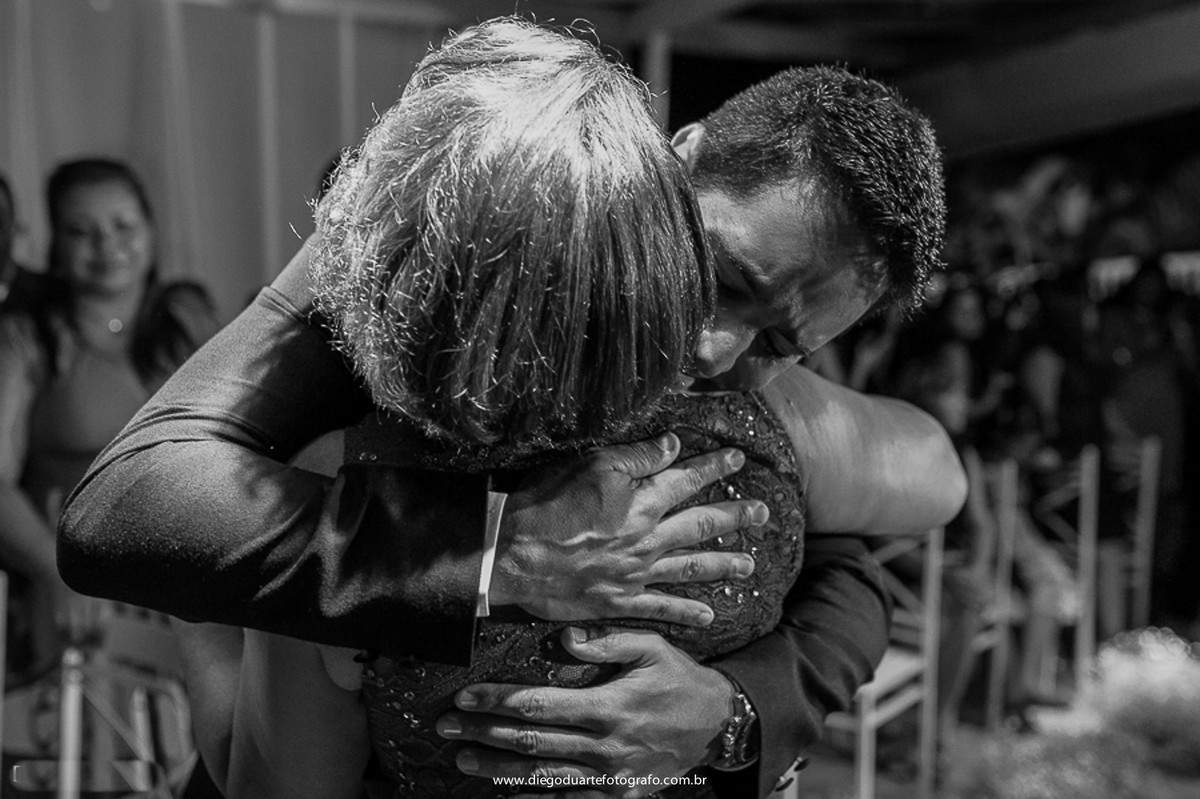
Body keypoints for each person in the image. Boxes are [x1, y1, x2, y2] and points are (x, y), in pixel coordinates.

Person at [58, 33, 959, 799]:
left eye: (782, 341)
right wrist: (500, 549)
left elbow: (851, 537)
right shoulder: (393, 255)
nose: (716, 352)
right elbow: (125, 505)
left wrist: (741, 711)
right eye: (723, 281)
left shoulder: (758, 410)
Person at [0, 158, 218, 675]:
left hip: (192, 580)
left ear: (151, 228)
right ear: (55, 243)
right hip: (78, 591)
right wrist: (58, 572)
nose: (107, 246)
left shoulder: (187, 319)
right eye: (82, 232)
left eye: (123, 225)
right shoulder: (27, 337)